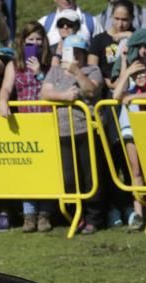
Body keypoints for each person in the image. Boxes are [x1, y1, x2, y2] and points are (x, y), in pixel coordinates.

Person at [40, 33, 105, 233]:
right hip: (62, 131)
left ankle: (94, 218)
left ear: (84, 53)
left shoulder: (92, 70)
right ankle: (75, 215)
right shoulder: (55, 71)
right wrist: (65, 97)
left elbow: (91, 91)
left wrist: (77, 73)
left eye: (78, 51)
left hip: (86, 129)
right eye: (71, 51)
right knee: (69, 179)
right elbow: (44, 93)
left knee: (90, 178)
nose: (74, 55)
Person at [0, 21, 55, 232]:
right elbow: (5, 89)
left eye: (39, 40)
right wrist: (3, 101)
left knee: (47, 170)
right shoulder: (14, 65)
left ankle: (45, 214)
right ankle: (29, 214)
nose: (35, 44)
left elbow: (55, 89)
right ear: (23, 42)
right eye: (31, 40)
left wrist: (40, 72)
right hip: (25, 122)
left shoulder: (51, 64)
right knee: (29, 169)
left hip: (47, 121)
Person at [111, 29, 146, 234]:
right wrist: (127, 72)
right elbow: (116, 95)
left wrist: (134, 98)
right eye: (138, 47)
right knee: (136, 172)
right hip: (131, 129)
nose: (140, 77)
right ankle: (139, 212)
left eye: (145, 47)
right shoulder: (130, 77)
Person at [88, 0, 134, 84]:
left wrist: (130, 35)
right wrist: (109, 83)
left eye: (124, 20)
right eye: (117, 19)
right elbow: (91, 71)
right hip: (106, 91)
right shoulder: (99, 40)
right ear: (111, 16)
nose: (120, 24)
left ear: (131, 19)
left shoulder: (137, 37)